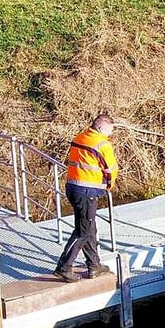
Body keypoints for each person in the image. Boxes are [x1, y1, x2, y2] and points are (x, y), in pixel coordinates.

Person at [54, 114, 119, 283]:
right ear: (102, 128)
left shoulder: (80, 137)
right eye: (110, 130)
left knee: (89, 227)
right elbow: (111, 169)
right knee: (83, 231)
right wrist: (109, 185)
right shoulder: (103, 144)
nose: (110, 134)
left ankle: (94, 265)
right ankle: (64, 267)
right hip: (87, 192)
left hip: (73, 188)